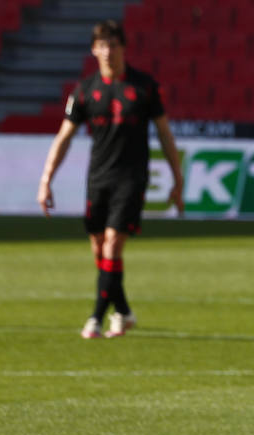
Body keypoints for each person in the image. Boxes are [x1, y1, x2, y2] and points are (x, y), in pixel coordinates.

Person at [37, 19, 184, 340]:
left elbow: (164, 134)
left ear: (123, 48)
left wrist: (177, 179)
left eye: (113, 45)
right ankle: (123, 311)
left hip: (131, 178)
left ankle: (95, 318)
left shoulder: (144, 87)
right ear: (93, 50)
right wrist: (46, 179)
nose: (107, 51)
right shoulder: (85, 90)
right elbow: (64, 137)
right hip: (98, 179)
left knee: (113, 246)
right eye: (101, 45)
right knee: (99, 250)